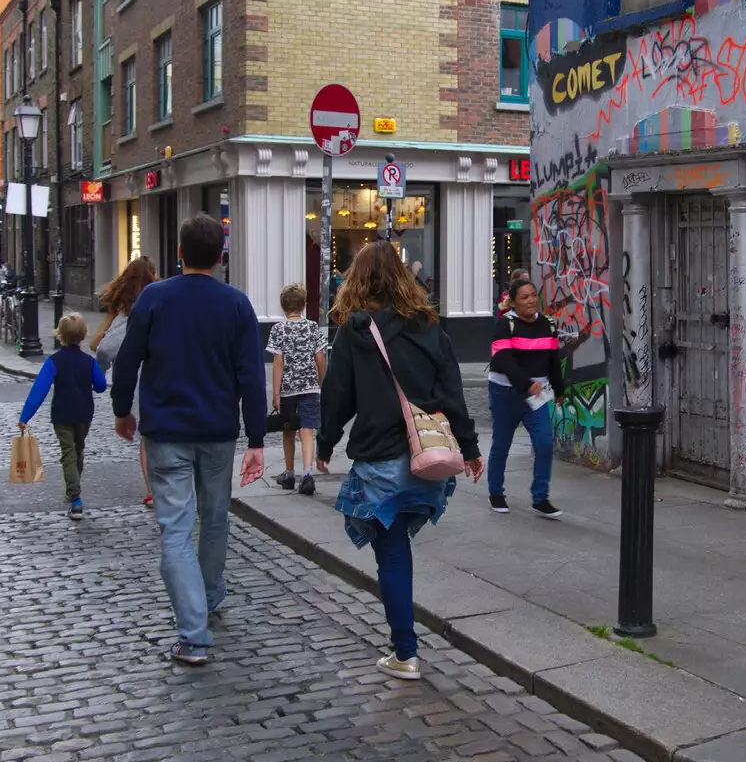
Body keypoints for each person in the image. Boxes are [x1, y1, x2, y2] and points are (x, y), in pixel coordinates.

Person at [318, 241, 482, 682]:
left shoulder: (355, 330)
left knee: (391, 555)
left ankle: (405, 652)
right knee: (399, 549)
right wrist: (470, 448)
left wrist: (326, 442)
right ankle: (402, 648)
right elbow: (453, 391)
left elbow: (337, 395)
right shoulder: (431, 327)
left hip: (380, 459)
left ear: (359, 279)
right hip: (427, 459)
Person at [111, 215, 267, 666]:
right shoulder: (236, 305)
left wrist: (124, 411)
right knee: (215, 518)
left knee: (175, 530)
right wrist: (256, 438)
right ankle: (210, 595)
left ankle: (194, 634)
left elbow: (127, 360)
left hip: (166, 434)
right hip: (217, 432)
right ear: (221, 256)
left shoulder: (155, 298)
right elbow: (250, 376)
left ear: (180, 253)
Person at [486, 278, 566, 518]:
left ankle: (540, 497)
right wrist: (525, 383)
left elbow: (553, 359)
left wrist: (560, 390)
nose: (531, 300)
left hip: (537, 395)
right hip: (505, 393)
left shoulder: (548, 325)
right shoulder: (505, 324)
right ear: (513, 302)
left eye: (533, 295)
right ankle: (496, 493)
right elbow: (503, 359)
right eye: (524, 297)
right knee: (502, 444)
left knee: (545, 443)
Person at [20, 312, 108, 520]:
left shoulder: (54, 361)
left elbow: (39, 391)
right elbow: (101, 387)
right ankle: (73, 488)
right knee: (78, 450)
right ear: (84, 335)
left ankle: (75, 498)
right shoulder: (88, 361)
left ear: (60, 335)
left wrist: (25, 416)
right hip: (84, 413)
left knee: (68, 453)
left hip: (62, 414)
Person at [92, 256, 160, 508]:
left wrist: (98, 372)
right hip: (166, 376)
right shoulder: (160, 302)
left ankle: (153, 490)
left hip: (142, 382)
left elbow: (105, 348)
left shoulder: (128, 312)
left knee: (148, 437)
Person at [266, 283, 328, 496]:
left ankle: (290, 472)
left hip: (288, 390)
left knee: (288, 431)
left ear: (283, 306)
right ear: (303, 305)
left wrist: (275, 394)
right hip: (310, 387)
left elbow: (277, 363)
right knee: (308, 430)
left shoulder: (278, 329)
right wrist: (323, 383)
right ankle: (308, 474)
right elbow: (320, 359)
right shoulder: (312, 327)